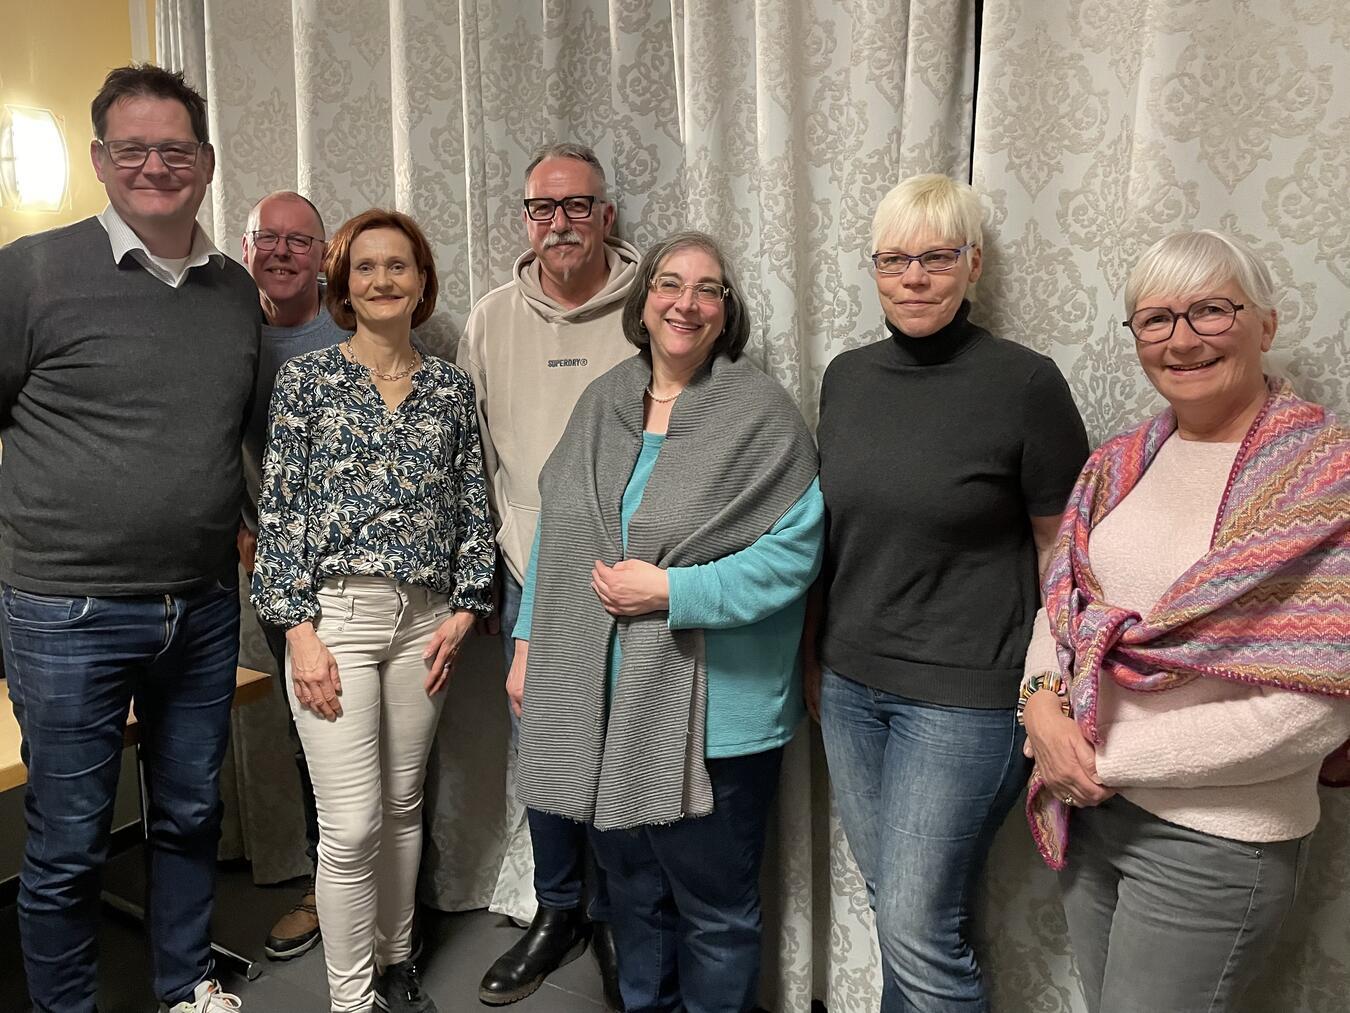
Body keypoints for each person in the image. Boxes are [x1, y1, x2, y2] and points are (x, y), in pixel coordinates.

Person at [1020, 229, 1350, 1013]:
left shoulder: (1323, 476)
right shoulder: (1120, 462)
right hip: (1093, 812)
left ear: (1264, 325)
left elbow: (1317, 704)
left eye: (1210, 310)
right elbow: (1064, 606)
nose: (1182, 338)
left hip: (1217, 836)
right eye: (1155, 319)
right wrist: (1037, 704)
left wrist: (1103, 754)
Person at [0, 64, 259, 1013]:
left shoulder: (235, 292)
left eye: (176, 149)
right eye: (134, 149)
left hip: (199, 607)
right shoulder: (29, 271)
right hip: (66, 610)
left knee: (190, 815)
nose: (157, 165)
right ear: (100, 159)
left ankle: (187, 986)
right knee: (68, 839)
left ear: (207, 161)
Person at [513, 231, 824, 1013]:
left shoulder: (761, 414)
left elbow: (792, 557)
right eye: (669, 284)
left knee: (715, 911)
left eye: (708, 289)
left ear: (727, 312)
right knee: (631, 898)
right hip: (603, 708)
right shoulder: (603, 401)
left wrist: (673, 592)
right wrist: (526, 644)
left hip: (716, 716)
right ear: (643, 300)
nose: (686, 302)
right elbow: (560, 529)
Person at [808, 173, 1090, 1012]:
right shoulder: (847, 377)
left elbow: (1062, 550)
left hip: (966, 698)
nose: (915, 277)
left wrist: (1056, 681)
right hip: (850, 686)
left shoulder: (1025, 384)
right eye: (894, 259)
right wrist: (813, 659)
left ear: (972, 265)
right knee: (902, 911)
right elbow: (830, 536)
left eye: (936, 256)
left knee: (916, 923)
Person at [251, 209, 495, 1013]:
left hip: (425, 623)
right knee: (351, 824)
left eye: (400, 266)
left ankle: (397, 960)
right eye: (366, 267)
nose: (383, 279)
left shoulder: (451, 388)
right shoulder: (308, 382)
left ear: (422, 282)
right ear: (343, 284)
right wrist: (298, 631)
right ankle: (351, 1000)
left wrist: (466, 609)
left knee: (401, 804)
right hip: (335, 622)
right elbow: (280, 514)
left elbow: (471, 506)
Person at [459, 142, 640, 1009]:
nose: (560, 222)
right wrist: (484, 575)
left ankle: (617, 913)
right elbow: (470, 455)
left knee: (626, 746)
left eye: (578, 205)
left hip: (636, 572)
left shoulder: (653, 306)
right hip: (531, 574)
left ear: (607, 214)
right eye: (544, 208)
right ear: (525, 219)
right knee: (545, 753)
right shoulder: (492, 318)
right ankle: (559, 908)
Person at [238, 189, 349, 961]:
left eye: (298, 241)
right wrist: (239, 530)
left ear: (322, 254)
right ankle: (323, 882)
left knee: (369, 727)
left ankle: (379, 885)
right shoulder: (226, 335)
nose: (281, 252)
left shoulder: (351, 333)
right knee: (307, 730)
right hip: (274, 576)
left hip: (358, 577)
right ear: (246, 250)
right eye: (265, 239)